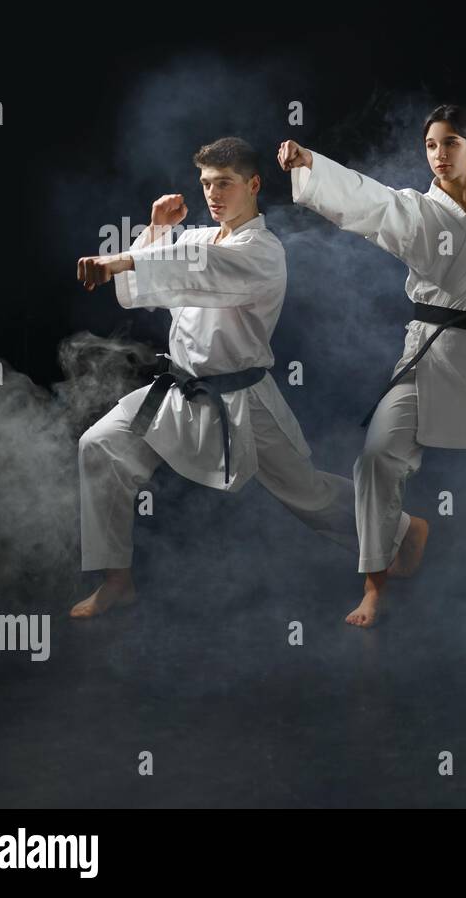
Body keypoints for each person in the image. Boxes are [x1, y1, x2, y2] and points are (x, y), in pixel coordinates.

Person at [279, 104, 466, 629]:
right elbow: (369, 201)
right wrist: (311, 165)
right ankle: (374, 580)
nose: (439, 154)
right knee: (378, 458)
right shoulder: (413, 209)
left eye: (450, 143)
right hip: (433, 350)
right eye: (431, 145)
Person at [71, 137, 361, 618]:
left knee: (308, 494)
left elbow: (200, 272)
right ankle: (116, 580)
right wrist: (158, 230)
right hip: (177, 392)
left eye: (224, 183)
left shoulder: (263, 251)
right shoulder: (200, 238)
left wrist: (123, 259)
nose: (213, 194)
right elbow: (156, 286)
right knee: (99, 446)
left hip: (241, 401)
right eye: (206, 183)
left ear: (253, 184)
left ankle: (399, 530)